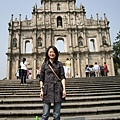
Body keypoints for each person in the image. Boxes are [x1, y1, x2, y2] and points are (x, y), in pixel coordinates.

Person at [39, 46, 66, 120]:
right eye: (50, 52)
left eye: (53, 52)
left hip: (58, 88)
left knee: (56, 115)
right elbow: (41, 78)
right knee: (45, 114)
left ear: (56, 54)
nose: (52, 53)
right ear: (47, 53)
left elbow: (62, 77)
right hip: (47, 89)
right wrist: (41, 90)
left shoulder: (59, 64)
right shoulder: (44, 65)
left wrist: (64, 89)